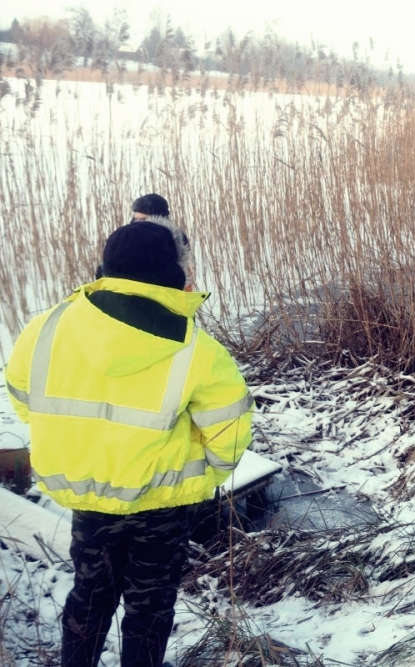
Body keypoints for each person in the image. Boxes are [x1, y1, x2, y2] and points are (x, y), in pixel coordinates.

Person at [5, 221, 254, 667]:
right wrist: (201, 478)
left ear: (107, 268)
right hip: (162, 503)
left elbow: (24, 394)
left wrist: (74, 444)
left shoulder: (48, 325)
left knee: (89, 596)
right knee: (150, 607)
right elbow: (229, 431)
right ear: (172, 276)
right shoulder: (194, 345)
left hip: (87, 493)